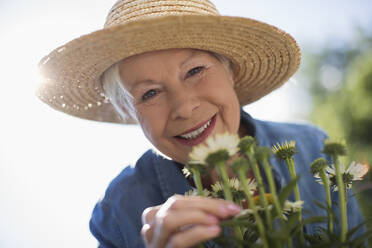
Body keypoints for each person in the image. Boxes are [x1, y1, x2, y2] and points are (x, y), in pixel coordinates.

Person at [37, 0, 365, 247]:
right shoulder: (118, 212)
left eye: (195, 71)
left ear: (231, 71)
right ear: (129, 111)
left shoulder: (312, 147)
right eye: (149, 93)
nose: (184, 106)